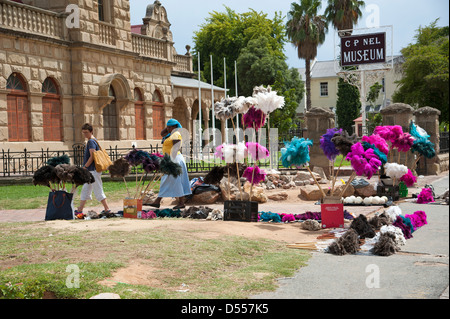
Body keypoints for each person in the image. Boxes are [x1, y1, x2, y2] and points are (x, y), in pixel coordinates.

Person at [147, 119, 191, 209]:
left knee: (176, 180)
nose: (168, 128)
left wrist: (170, 161)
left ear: (175, 127)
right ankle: (158, 201)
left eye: (170, 127)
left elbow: (176, 148)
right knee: (166, 180)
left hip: (174, 160)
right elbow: (162, 133)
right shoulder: (170, 134)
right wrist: (168, 126)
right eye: (168, 126)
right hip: (170, 159)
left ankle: (181, 202)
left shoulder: (176, 134)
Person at [75, 123, 111, 215]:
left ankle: (107, 209)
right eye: (83, 133)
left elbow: (92, 156)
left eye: (86, 132)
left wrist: (85, 166)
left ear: (91, 131)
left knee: (98, 189)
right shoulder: (94, 140)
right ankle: (80, 209)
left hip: (92, 170)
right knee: (85, 190)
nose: (85, 135)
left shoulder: (91, 141)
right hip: (91, 171)